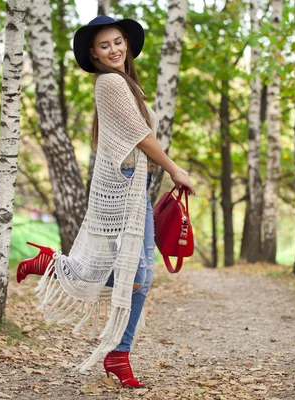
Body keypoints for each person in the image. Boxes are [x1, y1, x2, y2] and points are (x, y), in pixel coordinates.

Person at [16, 16, 195, 388]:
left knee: (140, 275)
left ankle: (118, 353)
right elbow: (140, 136)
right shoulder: (111, 82)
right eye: (104, 45)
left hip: (135, 184)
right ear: (93, 55)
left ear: (126, 44)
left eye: (117, 42)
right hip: (122, 184)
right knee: (137, 274)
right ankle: (56, 269)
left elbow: (138, 134)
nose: (113, 49)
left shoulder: (129, 85)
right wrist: (175, 169)